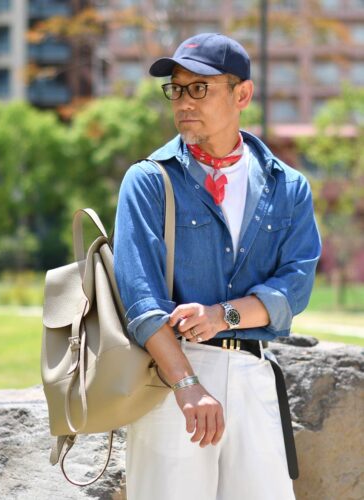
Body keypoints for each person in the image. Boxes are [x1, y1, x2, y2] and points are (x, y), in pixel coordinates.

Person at [113, 33, 321, 500]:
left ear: (241, 94)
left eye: (199, 88)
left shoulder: (288, 187)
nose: (184, 102)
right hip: (170, 378)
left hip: (254, 372)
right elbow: (140, 298)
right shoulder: (149, 181)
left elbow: (296, 285)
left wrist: (221, 315)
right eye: (176, 89)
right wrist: (186, 383)